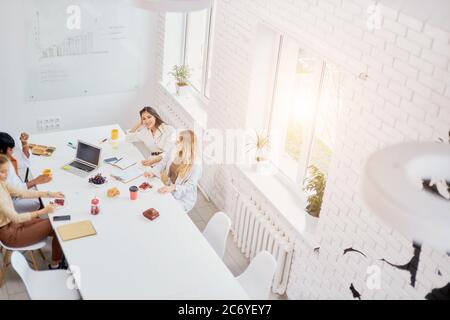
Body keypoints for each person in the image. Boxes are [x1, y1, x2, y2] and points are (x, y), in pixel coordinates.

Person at [0, 155, 65, 269]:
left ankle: (58, 259)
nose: (6, 175)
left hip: (12, 225)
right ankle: (56, 264)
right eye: (2, 172)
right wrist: (43, 211)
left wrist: (49, 193)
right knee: (56, 224)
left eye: (6, 171)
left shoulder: (2, 183)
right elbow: (16, 218)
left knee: (56, 226)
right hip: (10, 235)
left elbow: (22, 192)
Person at [144, 130, 202, 213]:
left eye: (178, 142)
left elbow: (190, 186)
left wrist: (174, 187)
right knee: (153, 201)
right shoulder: (174, 148)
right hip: (169, 187)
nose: (175, 143)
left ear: (186, 145)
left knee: (166, 211)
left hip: (183, 197)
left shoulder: (196, 165)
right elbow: (163, 163)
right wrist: (152, 172)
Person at [0, 133, 52, 212]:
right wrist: (35, 181)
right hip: (11, 202)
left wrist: (24, 143)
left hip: (18, 190)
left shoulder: (4, 158)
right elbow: (13, 192)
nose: (12, 151)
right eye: (10, 149)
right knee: (43, 199)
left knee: (44, 189)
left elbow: (24, 161)